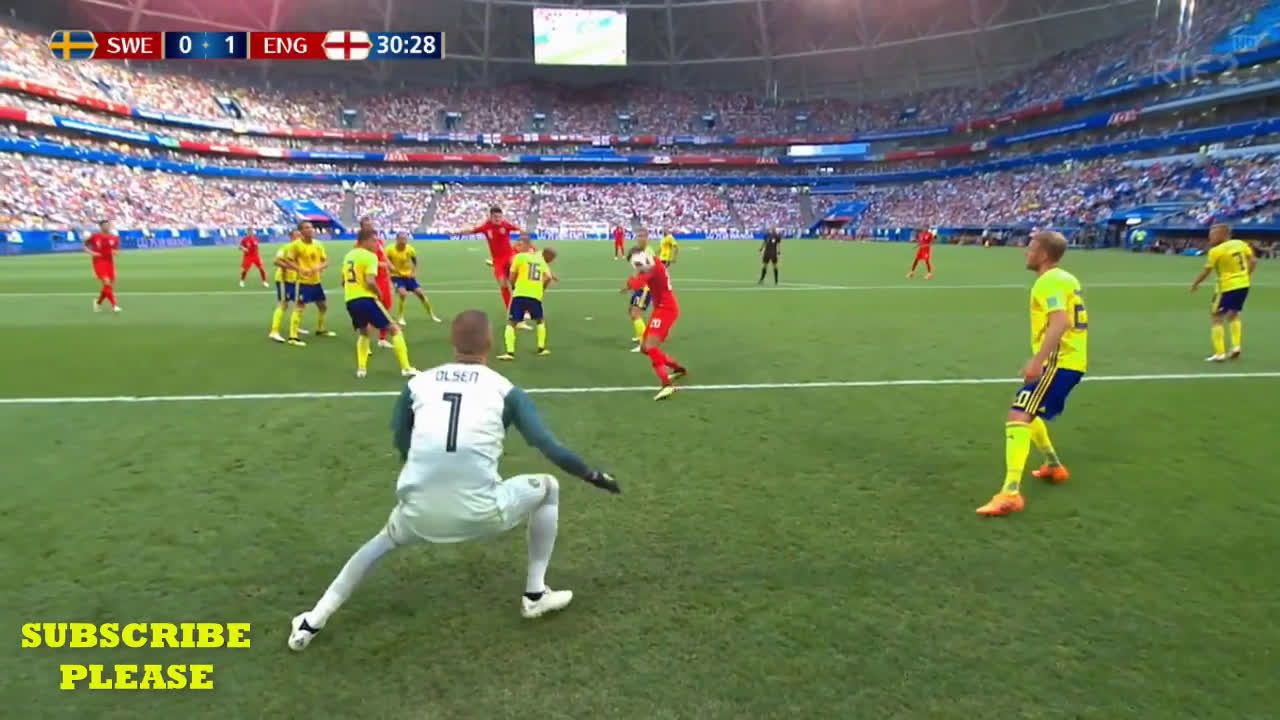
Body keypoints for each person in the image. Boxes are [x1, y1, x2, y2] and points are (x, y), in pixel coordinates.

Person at [286, 310, 619, 651]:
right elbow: (548, 445)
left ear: (452, 342)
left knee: (378, 544)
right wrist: (592, 475)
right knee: (548, 487)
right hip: (483, 512)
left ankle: (313, 622)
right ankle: (535, 594)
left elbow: (401, 439)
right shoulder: (506, 390)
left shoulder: (418, 384)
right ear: (490, 343)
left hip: (417, 514)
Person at [977, 231, 1088, 517]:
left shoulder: (1047, 282)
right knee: (1028, 408)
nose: (1026, 252)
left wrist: (1037, 361)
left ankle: (1010, 494)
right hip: (1069, 360)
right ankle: (1053, 466)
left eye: (1031, 248)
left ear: (1044, 254)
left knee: (1019, 415)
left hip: (1059, 362)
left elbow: (1060, 321)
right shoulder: (1067, 278)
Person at [341, 228, 417, 378]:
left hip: (350, 300)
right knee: (395, 329)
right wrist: (378, 292)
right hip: (366, 299)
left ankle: (361, 369)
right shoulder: (370, 257)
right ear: (364, 241)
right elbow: (370, 281)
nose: (377, 244)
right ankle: (406, 368)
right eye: (374, 241)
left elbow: (343, 281)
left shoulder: (349, 256)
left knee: (364, 332)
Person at [625, 247, 687, 400]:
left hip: (667, 309)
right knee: (644, 348)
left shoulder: (653, 267)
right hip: (661, 309)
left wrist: (630, 280)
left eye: (636, 263)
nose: (637, 267)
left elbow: (636, 284)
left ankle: (667, 386)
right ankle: (678, 369)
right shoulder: (653, 264)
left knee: (650, 347)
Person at [1190, 223, 1255, 361]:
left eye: (1212, 235)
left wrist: (1196, 283)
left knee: (1216, 317)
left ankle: (1220, 353)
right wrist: (1246, 276)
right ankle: (1236, 346)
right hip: (1243, 285)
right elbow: (1253, 261)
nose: (1210, 238)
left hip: (1226, 287)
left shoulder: (1216, 251)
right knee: (1233, 315)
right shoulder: (1240, 244)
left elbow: (1206, 271)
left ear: (1222, 235)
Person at [454, 206, 522, 310]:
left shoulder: (505, 225)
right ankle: (510, 308)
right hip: (497, 261)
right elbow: (471, 231)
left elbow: (520, 230)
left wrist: (521, 240)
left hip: (509, 258)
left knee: (516, 283)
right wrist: (456, 232)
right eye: (495, 217)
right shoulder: (486, 227)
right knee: (502, 284)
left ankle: (524, 307)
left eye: (499, 217)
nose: (498, 219)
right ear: (490, 217)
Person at [499, 244, 556, 360]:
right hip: (535, 296)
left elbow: (512, 275)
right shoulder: (541, 261)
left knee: (512, 323)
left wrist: (514, 286)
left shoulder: (519, 257)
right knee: (540, 321)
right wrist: (542, 288)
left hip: (520, 293)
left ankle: (510, 353)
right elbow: (549, 277)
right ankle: (541, 349)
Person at [285, 221, 336, 346]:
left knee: (323, 306)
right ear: (301, 231)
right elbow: (288, 261)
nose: (310, 229)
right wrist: (300, 269)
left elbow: (326, 261)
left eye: (311, 227)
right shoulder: (296, 245)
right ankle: (293, 336)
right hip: (303, 282)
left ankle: (320, 329)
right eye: (307, 228)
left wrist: (318, 268)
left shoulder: (318, 244)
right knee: (300, 306)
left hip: (316, 281)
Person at [385, 232, 442, 326]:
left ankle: (432, 315)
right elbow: (385, 260)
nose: (404, 241)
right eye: (401, 239)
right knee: (403, 293)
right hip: (396, 276)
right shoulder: (390, 249)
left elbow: (415, 261)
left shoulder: (410, 249)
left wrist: (414, 272)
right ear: (397, 240)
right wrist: (390, 267)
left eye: (405, 239)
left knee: (420, 293)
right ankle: (401, 317)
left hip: (408, 276)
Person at [269, 231, 304, 343]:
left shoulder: (299, 249)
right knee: (283, 305)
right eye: (298, 236)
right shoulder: (285, 248)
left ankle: (295, 327)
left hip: (295, 280)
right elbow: (276, 261)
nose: (300, 237)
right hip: (284, 280)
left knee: (298, 303)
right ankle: (274, 331)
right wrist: (292, 268)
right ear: (291, 237)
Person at [626, 229, 656, 349]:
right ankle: (641, 335)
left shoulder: (648, 251)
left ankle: (644, 343)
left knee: (635, 313)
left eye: (643, 236)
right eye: (639, 236)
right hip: (640, 286)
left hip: (645, 288)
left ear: (647, 237)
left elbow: (652, 269)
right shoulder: (639, 251)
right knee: (631, 310)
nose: (640, 238)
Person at [84, 220, 121, 312]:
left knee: (108, 285)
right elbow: (85, 246)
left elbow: (117, 250)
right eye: (105, 225)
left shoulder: (114, 238)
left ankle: (98, 303)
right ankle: (114, 305)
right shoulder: (95, 237)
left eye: (108, 225)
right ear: (100, 227)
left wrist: (115, 252)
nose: (107, 227)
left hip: (109, 262)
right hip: (99, 262)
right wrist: (92, 253)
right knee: (107, 282)